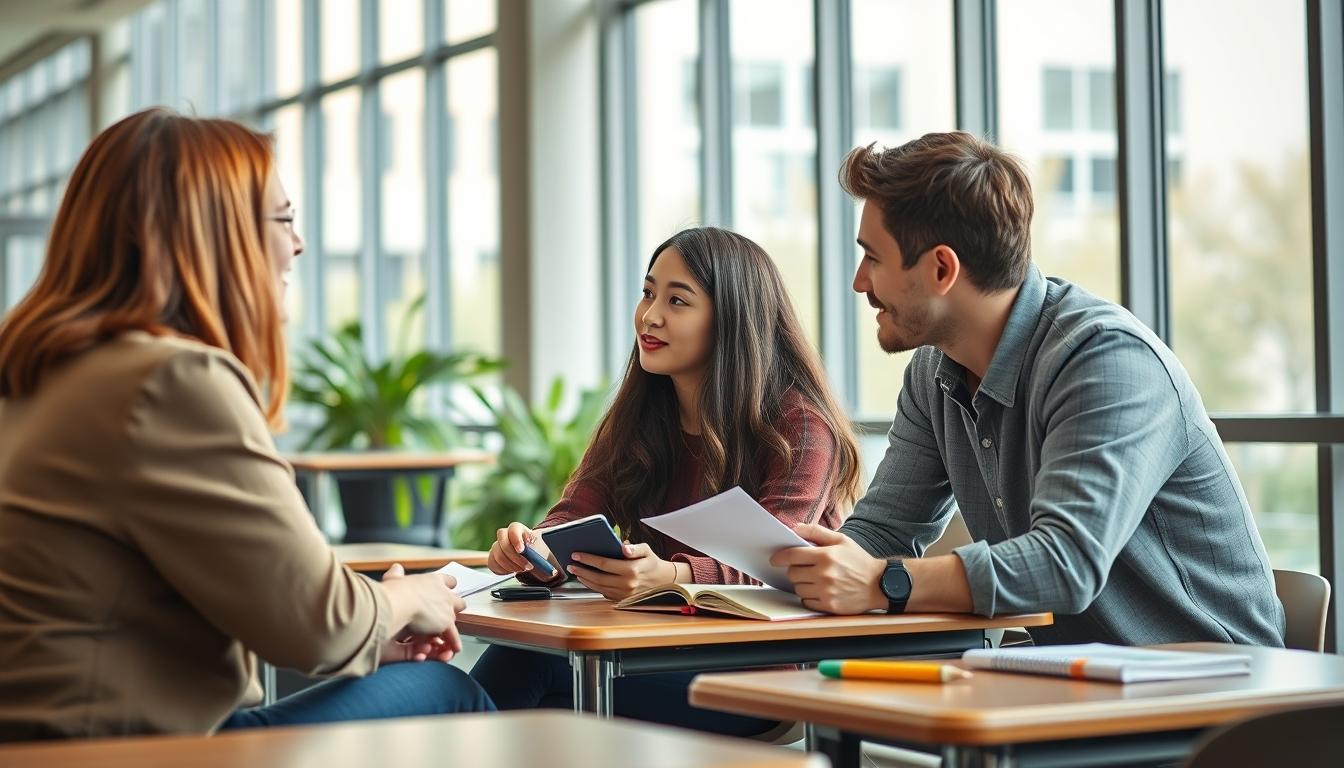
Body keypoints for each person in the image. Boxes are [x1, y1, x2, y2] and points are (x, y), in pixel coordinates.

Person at [0, 108, 494, 742]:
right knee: (446, 691)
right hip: (114, 751)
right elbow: (317, 622)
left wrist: (371, 628)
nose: (298, 244)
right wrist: (414, 597)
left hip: (43, 741)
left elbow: (273, 610)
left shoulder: (40, 375)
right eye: (284, 219)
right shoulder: (169, 381)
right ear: (214, 232)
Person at [774, 131, 1285, 648]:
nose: (860, 282)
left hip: (1214, 676)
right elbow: (882, 534)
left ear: (942, 269)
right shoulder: (934, 372)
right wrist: (801, 571)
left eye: (873, 258)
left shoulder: (1106, 361)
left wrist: (886, 583)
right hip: (1075, 673)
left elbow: (1065, 564)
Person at [470, 226, 863, 735]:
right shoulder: (640, 417)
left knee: (529, 666)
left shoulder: (800, 428)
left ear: (732, 319)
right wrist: (535, 550)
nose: (649, 316)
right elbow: (575, 513)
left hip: (762, 670)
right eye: (648, 292)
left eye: (677, 301)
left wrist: (672, 577)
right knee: (537, 685)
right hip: (651, 646)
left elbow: (780, 561)